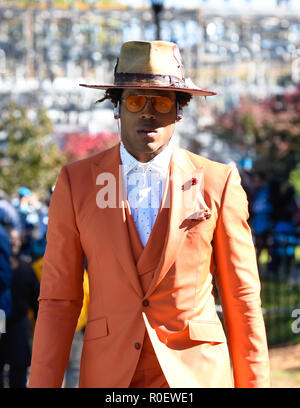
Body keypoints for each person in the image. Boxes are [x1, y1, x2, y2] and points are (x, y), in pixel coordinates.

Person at [29, 40, 270, 388]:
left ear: (179, 110)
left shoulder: (219, 182)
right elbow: (58, 300)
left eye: (160, 101)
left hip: (195, 373)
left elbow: (242, 297)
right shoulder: (75, 183)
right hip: (109, 375)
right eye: (136, 101)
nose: (148, 112)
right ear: (117, 107)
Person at [0, 229, 40, 387]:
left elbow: (36, 298)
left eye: (17, 239)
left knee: (19, 369)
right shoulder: (3, 269)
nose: (14, 242)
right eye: (11, 239)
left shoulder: (26, 268)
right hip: (2, 323)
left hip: (19, 325)